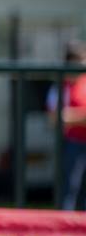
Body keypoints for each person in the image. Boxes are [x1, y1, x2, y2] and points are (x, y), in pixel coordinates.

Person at [48, 42, 86, 210]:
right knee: (71, 186)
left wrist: (72, 115)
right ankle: (66, 227)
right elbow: (55, 118)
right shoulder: (61, 87)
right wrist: (82, 116)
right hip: (74, 142)